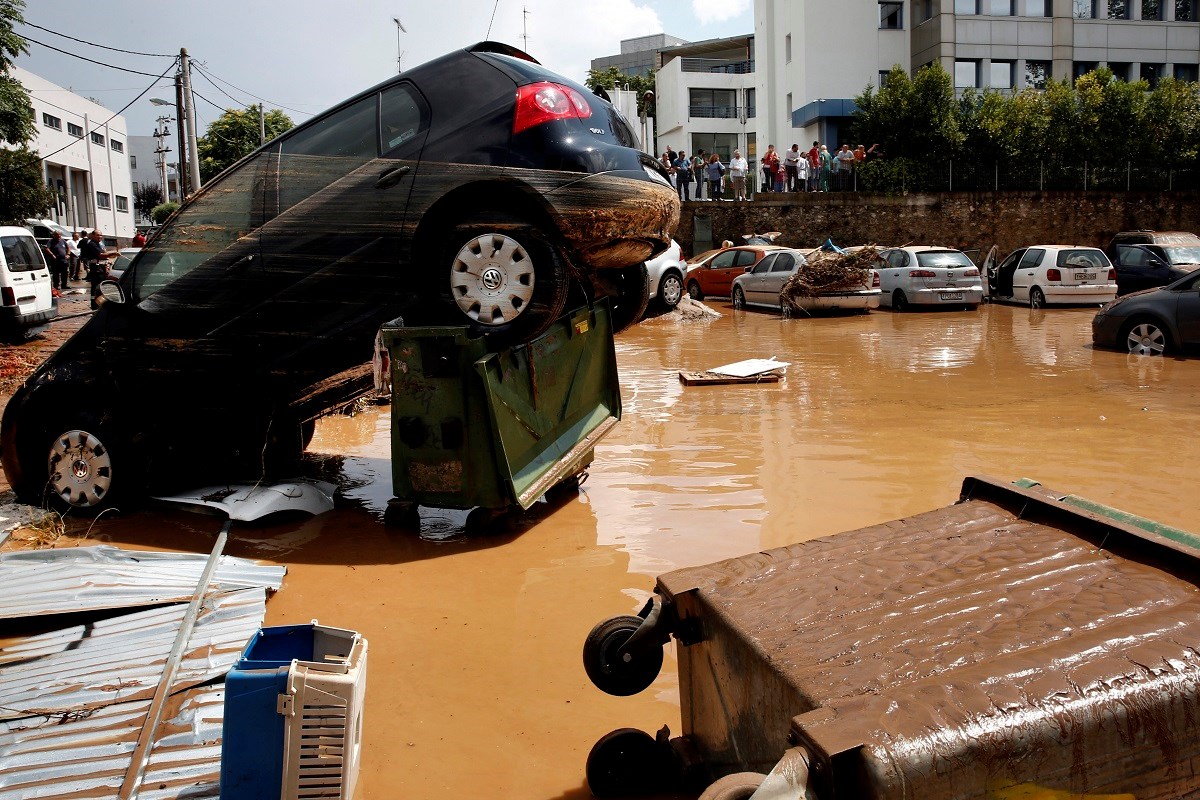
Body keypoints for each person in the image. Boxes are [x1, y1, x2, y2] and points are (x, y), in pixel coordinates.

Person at [79, 229, 110, 309]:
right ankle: (95, 305)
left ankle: (100, 304)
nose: (100, 237)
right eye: (98, 235)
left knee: (101, 287)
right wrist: (112, 254)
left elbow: (104, 255)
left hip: (101, 267)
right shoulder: (92, 244)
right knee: (96, 287)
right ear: (93, 236)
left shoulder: (100, 244)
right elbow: (101, 255)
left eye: (101, 235)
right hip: (96, 268)